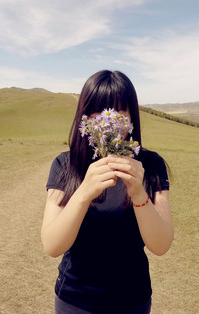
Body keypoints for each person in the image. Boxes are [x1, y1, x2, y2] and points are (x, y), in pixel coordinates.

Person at [41, 70, 173, 313]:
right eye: (99, 111)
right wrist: (83, 193)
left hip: (132, 301)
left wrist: (139, 195)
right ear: (85, 115)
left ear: (131, 116)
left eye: (118, 111)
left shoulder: (151, 166)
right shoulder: (65, 165)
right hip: (74, 300)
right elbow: (51, 245)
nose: (108, 119)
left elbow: (161, 245)